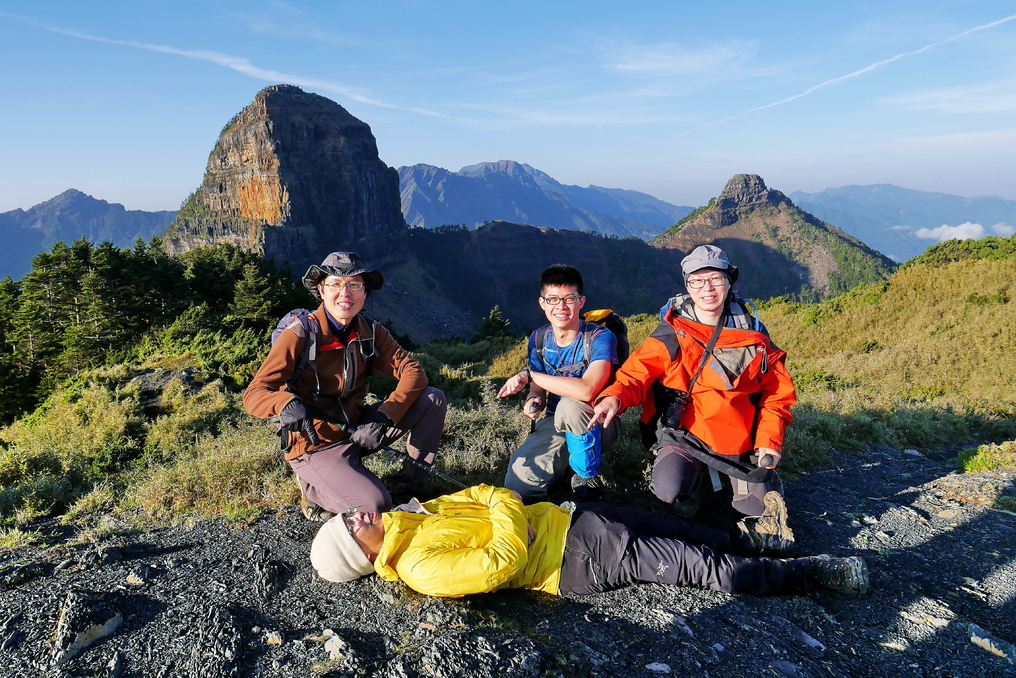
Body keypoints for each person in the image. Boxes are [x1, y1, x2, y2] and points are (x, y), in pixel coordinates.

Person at [309, 484, 869, 599]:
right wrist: (510, 516)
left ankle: (764, 547)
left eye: (348, 515)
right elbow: (502, 563)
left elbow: (486, 492)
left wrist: (508, 508)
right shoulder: (421, 569)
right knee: (690, 564)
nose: (356, 514)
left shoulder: (409, 516)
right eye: (350, 526)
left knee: (684, 530)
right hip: (575, 558)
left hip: (571, 518)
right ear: (361, 554)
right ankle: (808, 576)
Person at [590, 245, 797, 550]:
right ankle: (692, 482)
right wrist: (614, 398)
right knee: (668, 491)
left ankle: (758, 482)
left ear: (730, 281)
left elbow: (776, 393)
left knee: (755, 512)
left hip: (740, 439)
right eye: (697, 281)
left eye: (715, 279)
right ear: (687, 285)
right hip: (686, 433)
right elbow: (637, 373)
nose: (707, 289)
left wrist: (769, 439)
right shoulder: (673, 330)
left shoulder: (754, 333)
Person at [243, 251, 447, 520]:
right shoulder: (300, 334)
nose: (345, 293)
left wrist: (384, 415)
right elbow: (254, 394)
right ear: (321, 290)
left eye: (354, 285)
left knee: (432, 399)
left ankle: (406, 488)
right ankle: (314, 490)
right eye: (335, 284)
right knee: (375, 506)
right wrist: (284, 403)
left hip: (358, 428)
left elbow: (413, 372)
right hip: (315, 444)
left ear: (365, 293)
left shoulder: (371, 332)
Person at [497, 265, 620, 502]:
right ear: (542, 303)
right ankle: (559, 477)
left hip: (597, 421)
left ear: (581, 302)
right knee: (518, 481)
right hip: (554, 422)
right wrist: (533, 400)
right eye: (553, 299)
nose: (561, 307)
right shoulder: (538, 339)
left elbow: (588, 390)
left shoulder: (599, 338)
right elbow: (538, 391)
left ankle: (587, 479)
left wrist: (529, 376)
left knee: (571, 406)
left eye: (569, 299)